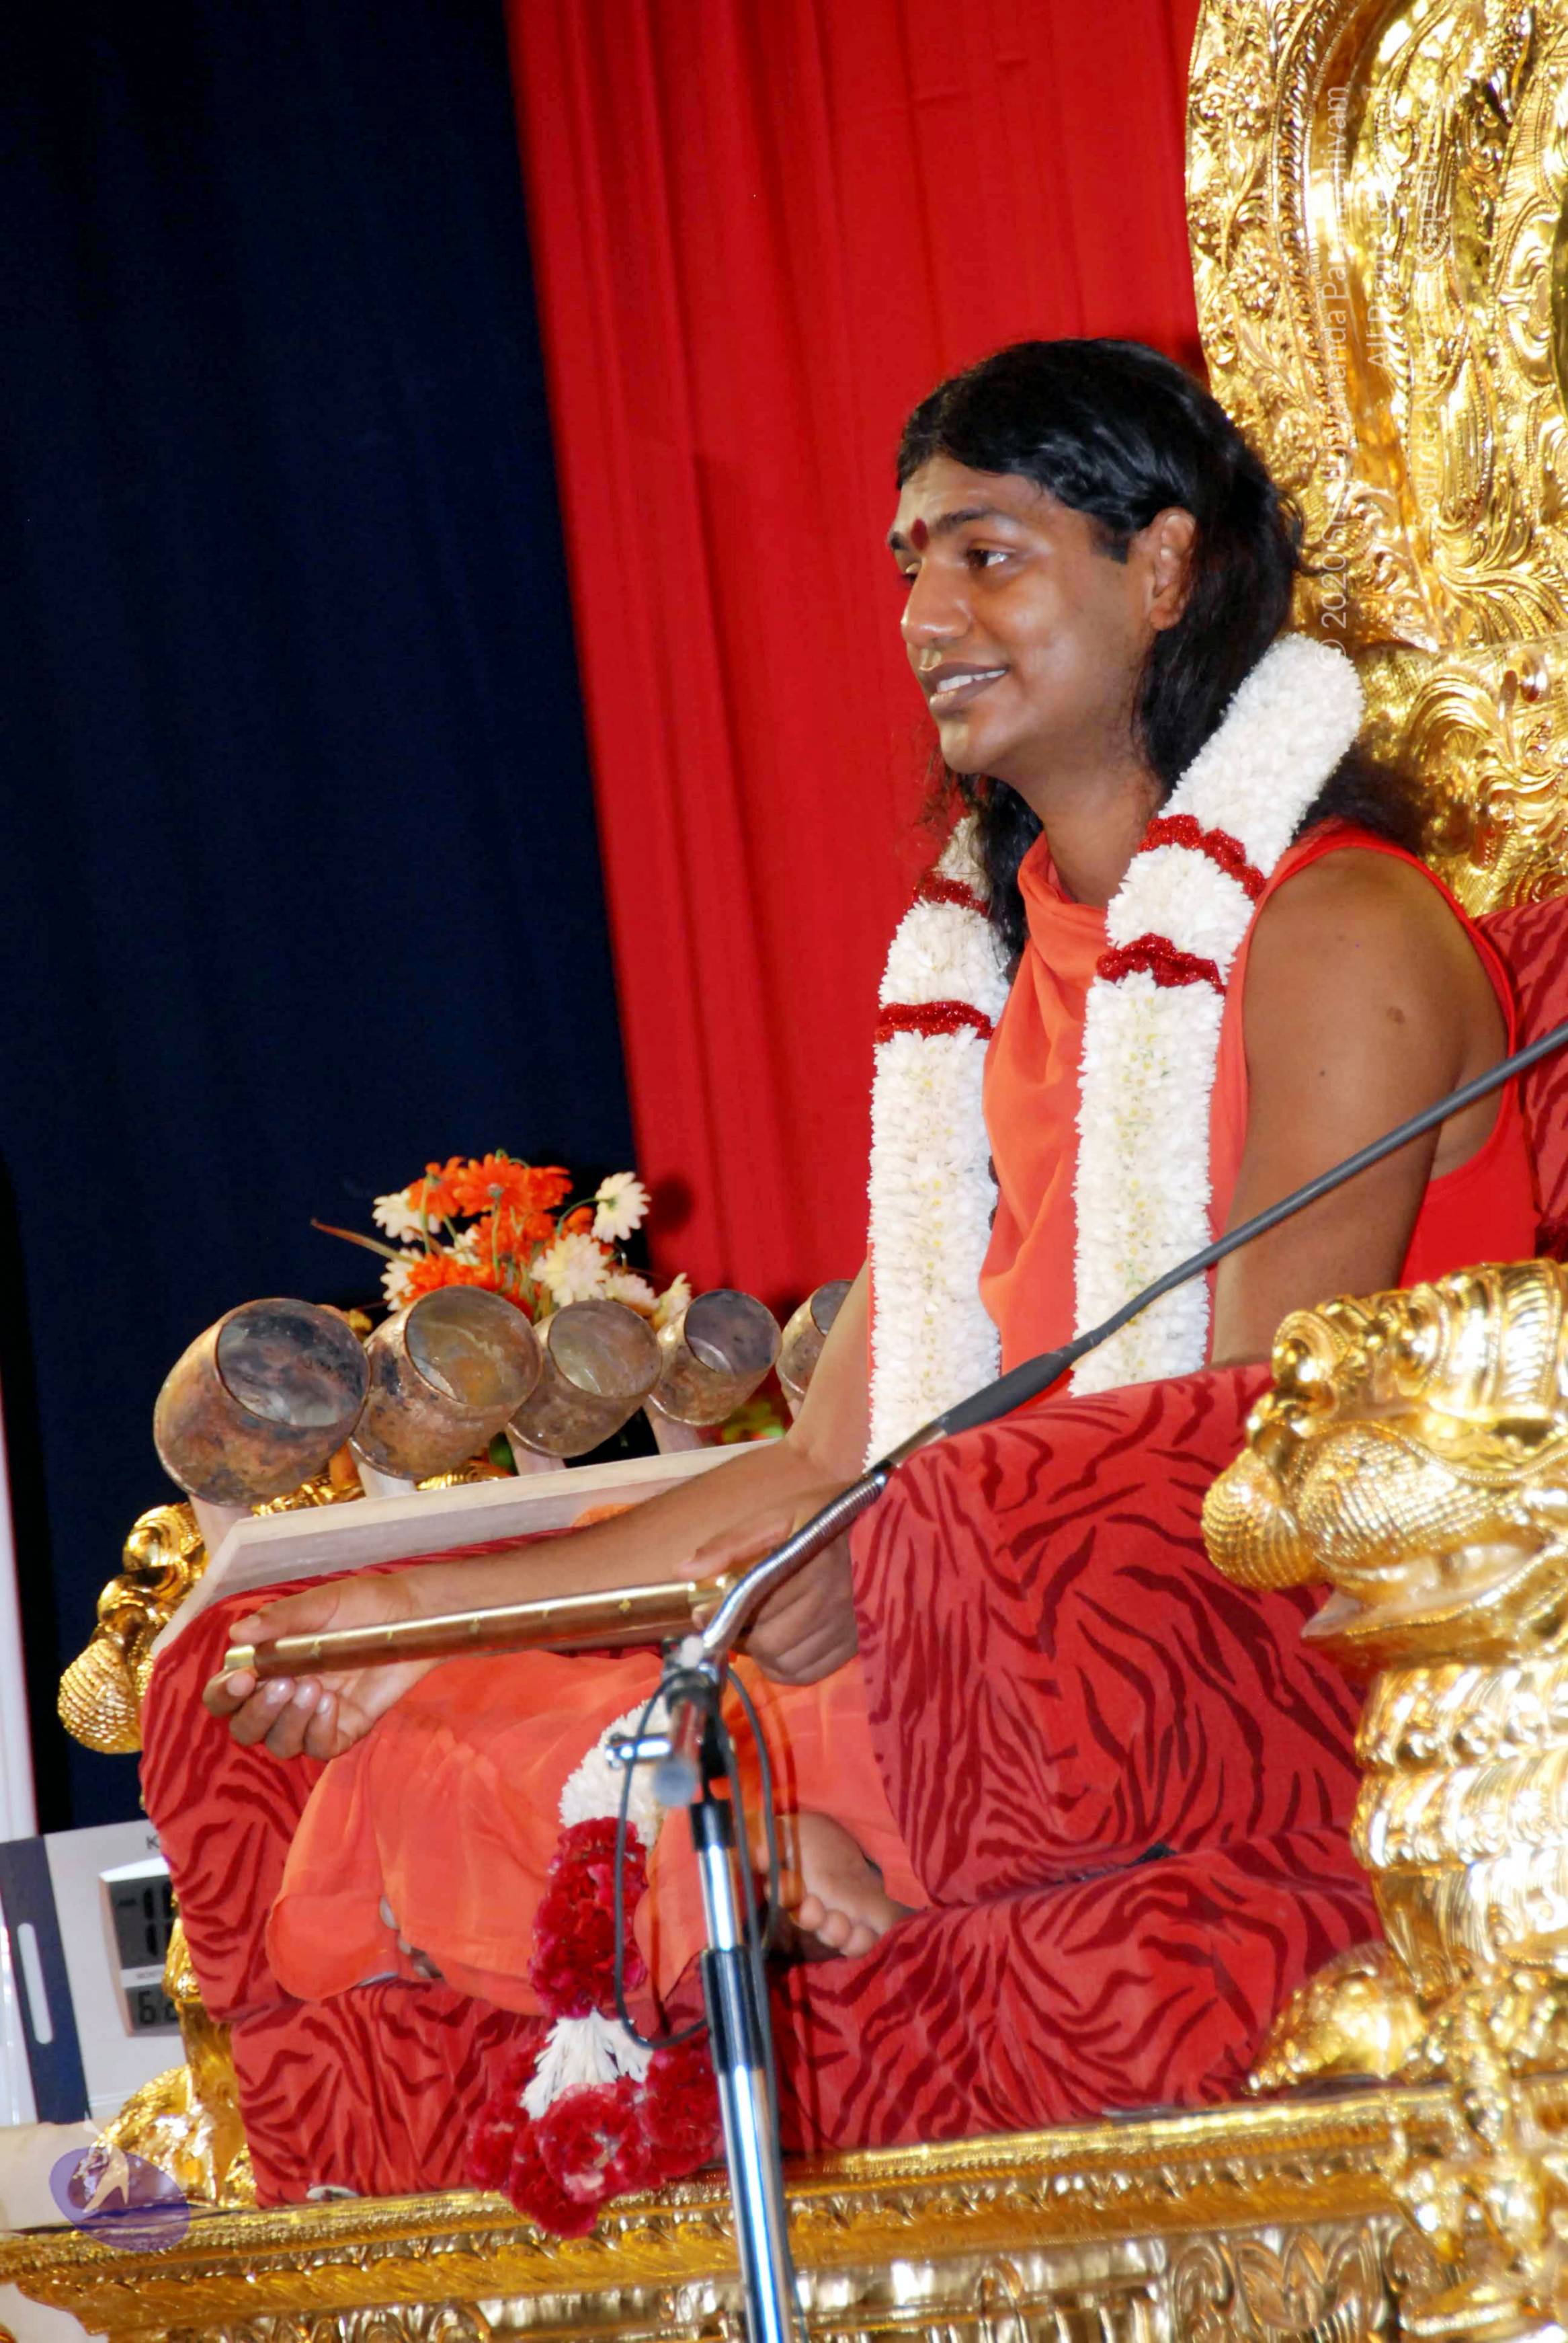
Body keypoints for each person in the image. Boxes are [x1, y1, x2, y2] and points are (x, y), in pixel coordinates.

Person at [200, 338, 1536, 2057]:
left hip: (1225, 1673)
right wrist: (413, 1615)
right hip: (945, 1657)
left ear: (1164, 567)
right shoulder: (995, 980)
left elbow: (1244, 1457)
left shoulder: (1339, 933)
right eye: (911, 563)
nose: (926, 615)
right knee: (415, 1746)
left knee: (536, 1770)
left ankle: (738, 1860)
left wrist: (886, 1567)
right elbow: (820, 1466)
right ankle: (742, 1864)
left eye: (989, 553)